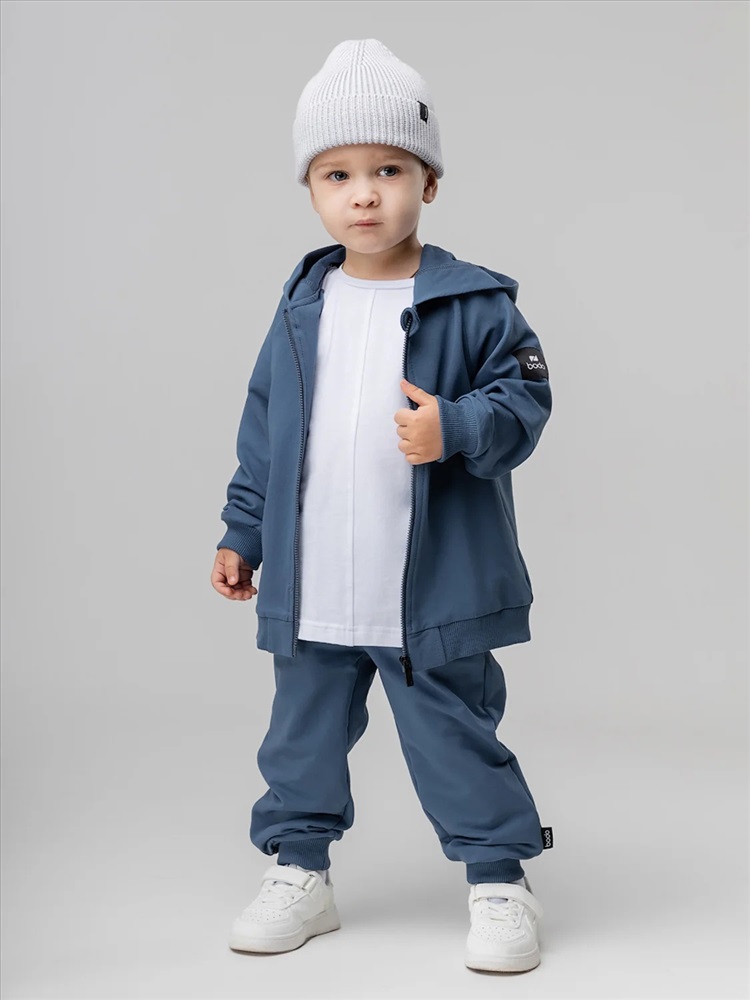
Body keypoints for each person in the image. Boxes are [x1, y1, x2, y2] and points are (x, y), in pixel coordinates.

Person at [210, 38, 553, 974]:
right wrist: (243, 532)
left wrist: (457, 425)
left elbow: (525, 402)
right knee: (300, 740)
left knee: (457, 738)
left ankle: (499, 879)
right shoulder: (300, 308)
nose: (364, 195)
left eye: (388, 170)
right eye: (338, 175)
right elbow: (264, 432)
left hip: (428, 592)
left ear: (429, 182)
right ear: (312, 191)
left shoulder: (476, 305)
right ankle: (299, 869)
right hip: (316, 584)